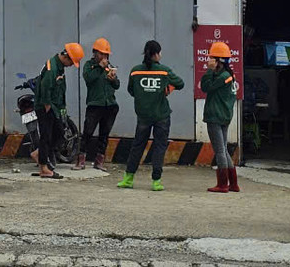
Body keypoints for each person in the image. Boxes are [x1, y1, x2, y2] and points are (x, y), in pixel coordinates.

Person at [117, 40, 185, 192]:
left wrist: (144, 95)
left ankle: (128, 178)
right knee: (159, 147)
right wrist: (168, 88)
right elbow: (180, 83)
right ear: (156, 54)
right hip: (161, 115)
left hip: (143, 116)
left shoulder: (135, 71)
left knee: (137, 146)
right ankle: (156, 181)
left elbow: (131, 90)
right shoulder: (164, 71)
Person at [32, 42, 84, 179]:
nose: (72, 65)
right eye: (72, 62)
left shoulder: (59, 67)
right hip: (46, 107)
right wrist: (47, 105)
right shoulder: (52, 68)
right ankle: (43, 167)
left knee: (60, 134)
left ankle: (39, 153)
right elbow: (45, 87)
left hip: (55, 107)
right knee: (46, 136)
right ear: (66, 56)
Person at [76, 37, 120, 171]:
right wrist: (99, 68)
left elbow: (117, 85)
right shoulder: (89, 66)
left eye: (106, 54)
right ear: (95, 53)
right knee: (88, 132)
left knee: (104, 134)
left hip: (110, 105)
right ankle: (81, 159)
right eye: (101, 54)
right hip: (95, 104)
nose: (103, 57)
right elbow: (89, 79)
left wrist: (113, 79)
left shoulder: (109, 67)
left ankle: (99, 160)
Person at [201, 41, 239, 193]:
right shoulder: (228, 75)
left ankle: (223, 184)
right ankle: (233, 184)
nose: (209, 61)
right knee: (223, 149)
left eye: (211, 58)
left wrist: (209, 70)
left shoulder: (222, 77)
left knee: (219, 151)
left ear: (218, 61)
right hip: (224, 116)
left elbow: (205, 87)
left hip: (215, 117)